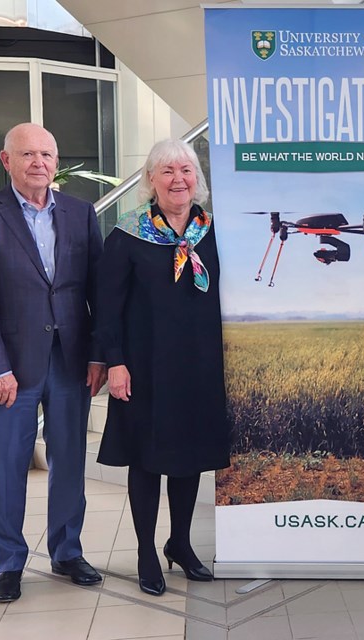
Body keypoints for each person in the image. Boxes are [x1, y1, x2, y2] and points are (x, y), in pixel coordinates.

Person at [0, 123, 107, 603]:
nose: (39, 163)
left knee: (70, 462)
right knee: (7, 465)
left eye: (47, 154)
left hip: (71, 362)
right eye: (28, 154)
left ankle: (66, 551)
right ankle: (9, 564)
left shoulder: (81, 214)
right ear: (6, 160)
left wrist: (100, 354)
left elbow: (99, 293)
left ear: (56, 161)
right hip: (10, 370)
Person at [94, 138, 230, 597]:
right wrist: (115, 363)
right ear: (150, 180)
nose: (178, 179)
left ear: (198, 179)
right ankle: (146, 552)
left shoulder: (211, 230)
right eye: (167, 171)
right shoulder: (127, 235)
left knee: (188, 459)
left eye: (187, 170)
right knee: (147, 461)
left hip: (198, 367)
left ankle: (180, 543)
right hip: (145, 369)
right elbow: (106, 308)